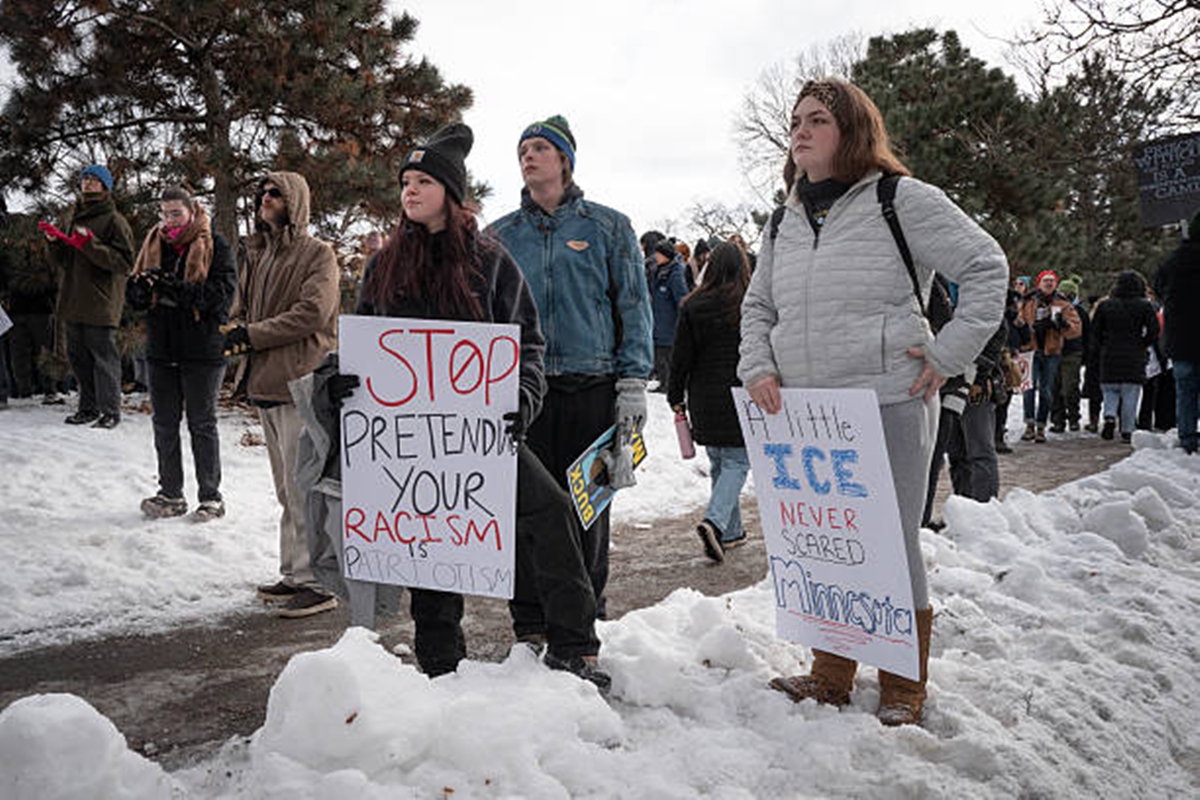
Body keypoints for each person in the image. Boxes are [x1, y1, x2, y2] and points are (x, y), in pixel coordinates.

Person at [741, 78, 1007, 726]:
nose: (800, 131)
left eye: (818, 119)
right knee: (825, 544)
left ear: (853, 130)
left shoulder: (899, 199)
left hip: (887, 398)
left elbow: (986, 267)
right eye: (796, 121)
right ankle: (831, 672)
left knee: (890, 541)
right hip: (805, 414)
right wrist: (759, 366)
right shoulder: (783, 222)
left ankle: (903, 683)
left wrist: (948, 354)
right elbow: (758, 307)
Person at [336, 123, 609, 690]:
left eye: (423, 181)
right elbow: (358, 344)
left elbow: (527, 341)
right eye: (405, 182)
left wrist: (523, 398)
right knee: (429, 540)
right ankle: (441, 665)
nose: (410, 191)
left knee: (552, 512)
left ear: (450, 192)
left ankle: (575, 648)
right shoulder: (383, 266)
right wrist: (338, 382)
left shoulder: (489, 260)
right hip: (408, 439)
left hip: (483, 433)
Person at [489, 114, 653, 630]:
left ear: (564, 159)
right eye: (523, 150)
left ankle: (585, 618)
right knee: (527, 510)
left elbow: (634, 307)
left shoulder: (608, 227)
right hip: (525, 390)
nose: (528, 156)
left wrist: (632, 384)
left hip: (592, 386)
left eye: (540, 148)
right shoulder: (498, 236)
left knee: (588, 508)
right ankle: (530, 621)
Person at [227, 170, 340, 618]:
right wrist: (233, 330)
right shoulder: (258, 254)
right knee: (286, 490)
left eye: (275, 192)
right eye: (262, 193)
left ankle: (320, 583)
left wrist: (252, 334)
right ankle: (295, 573)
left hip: (301, 382)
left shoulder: (318, 253)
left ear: (294, 201)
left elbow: (313, 313)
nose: (266, 198)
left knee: (305, 488)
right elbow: (243, 310)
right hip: (266, 382)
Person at [125, 187, 237, 520]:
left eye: (176, 213)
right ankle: (170, 493)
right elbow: (138, 300)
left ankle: (211, 496)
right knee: (164, 423)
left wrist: (173, 288)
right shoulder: (154, 244)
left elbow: (219, 297)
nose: (169, 220)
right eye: (164, 213)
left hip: (203, 349)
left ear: (192, 211)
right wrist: (139, 290)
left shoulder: (215, 244)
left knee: (201, 423)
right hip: (162, 347)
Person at [667, 242, 751, 562]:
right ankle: (715, 523)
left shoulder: (693, 304)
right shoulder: (748, 303)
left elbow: (680, 356)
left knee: (720, 463)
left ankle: (731, 532)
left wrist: (676, 395)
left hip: (703, 395)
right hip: (740, 393)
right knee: (737, 462)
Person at [46, 164, 134, 428]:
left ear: (105, 186)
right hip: (73, 300)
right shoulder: (73, 217)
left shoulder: (114, 220)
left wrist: (90, 245)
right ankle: (88, 408)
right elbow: (63, 261)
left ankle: (110, 412)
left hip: (101, 302)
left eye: (95, 179)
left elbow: (124, 263)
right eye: (85, 179)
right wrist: (55, 243)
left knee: (104, 361)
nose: (88, 183)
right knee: (79, 360)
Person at [1090, 270, 1159, 443]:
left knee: (1110, 390)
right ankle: (1127, 430)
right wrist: (1143, 343)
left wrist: (1102, 346)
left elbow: (1095, 331)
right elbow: (1154, 330)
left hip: (1109, 353)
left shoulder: (1105, 305)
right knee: (1130, 393)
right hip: (1134, 354)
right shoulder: (1144, 306)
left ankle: (1109, 416)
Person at [1015, 270, 1081, 442]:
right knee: (1029, 389)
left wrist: (1062, 324)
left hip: (1051, 352)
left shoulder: (1063, 303)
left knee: (1046, 390)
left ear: (1056, 284)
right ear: (1039, 283)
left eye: (1052, 280)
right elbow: (1017, 320)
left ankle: (1041, 427)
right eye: (1046, 280)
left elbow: (1076, 329)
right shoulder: (1028, 300)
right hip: (1030, 350)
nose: (1049, 283)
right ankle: (1029, 425)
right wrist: (1025, 329)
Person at [1153, 211, 1200, 454]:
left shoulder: (1173, 261)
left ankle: (1188, 438)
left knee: (1185, 392)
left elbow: (1158, 287)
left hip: (1180, 341)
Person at [649, 237, 689, 393]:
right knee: (659, 354)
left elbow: (681, 297)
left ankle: (668, 384)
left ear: (666, 255)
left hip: (669, 321)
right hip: (659, 318)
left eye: (658, 253)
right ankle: (663, 381)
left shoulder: (675, 273)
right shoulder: (658, 270)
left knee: (666, 354)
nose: (655, 256)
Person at [1049, 277, 1087, 433]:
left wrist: (1086, 354)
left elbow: (1086, 333)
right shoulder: (1052, 309)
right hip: (1054, 351)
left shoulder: (1080, 312)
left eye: (1068, 294)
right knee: (1055, 388)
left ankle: (1073, 417)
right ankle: (1058, 420)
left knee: (1070, 387)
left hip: (1073, 352)